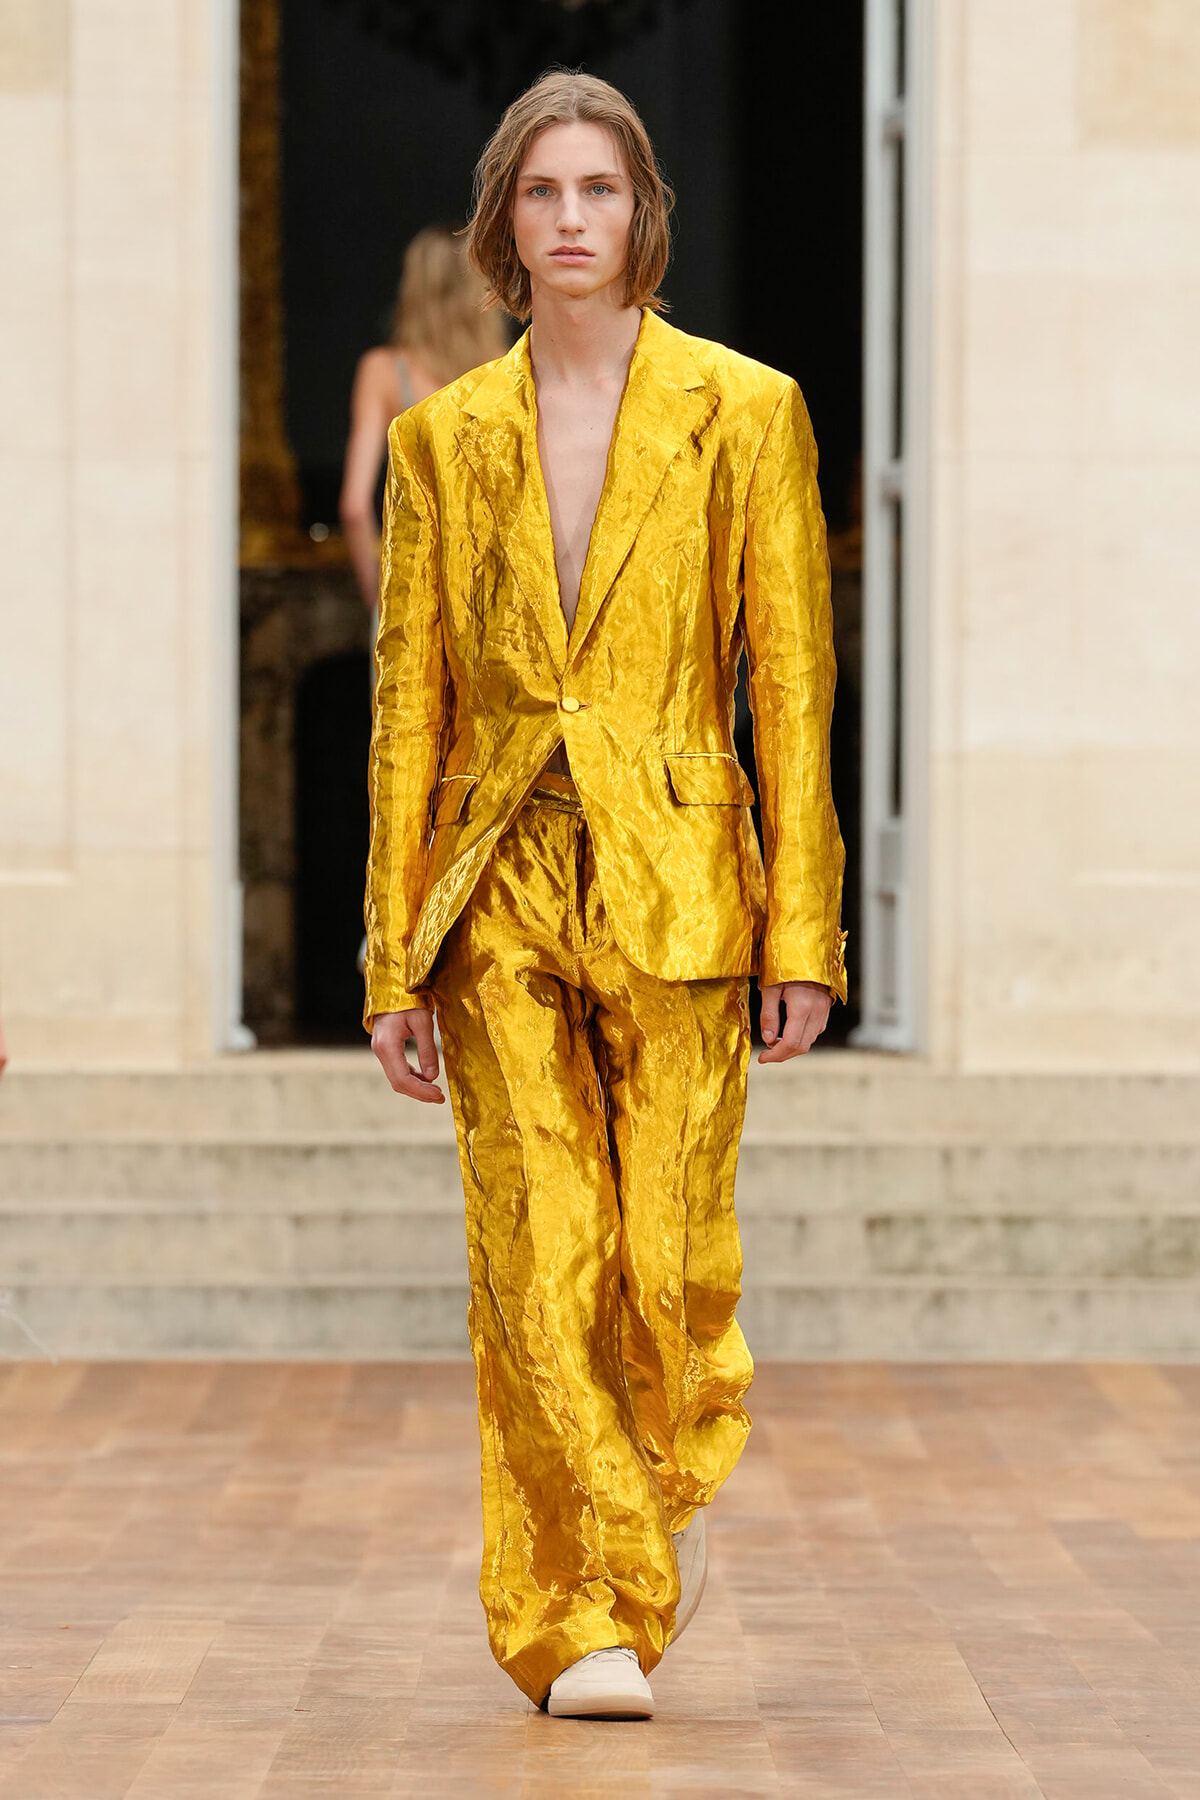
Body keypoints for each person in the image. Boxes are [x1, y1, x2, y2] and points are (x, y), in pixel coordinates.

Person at [363, 72, 847, 1720]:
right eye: (543, 192)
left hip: (688, 883)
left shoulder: (746, 412)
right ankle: (573, 1605)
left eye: (602, 191)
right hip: (492, 880)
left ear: (645, 214)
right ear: (503, 221)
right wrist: (388, 952)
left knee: (666, 1262)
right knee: (537, 1243)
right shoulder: (443, 438)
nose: (574, 219)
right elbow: (407, 703)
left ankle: (642, 1496)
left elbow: (791, 687)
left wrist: (808, 929)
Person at [338, 225, 508, 612]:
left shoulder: (383, 371)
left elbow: (353, 505)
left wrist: (382, 600)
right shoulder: (511, 367)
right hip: (494, 597)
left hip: (413, 596)